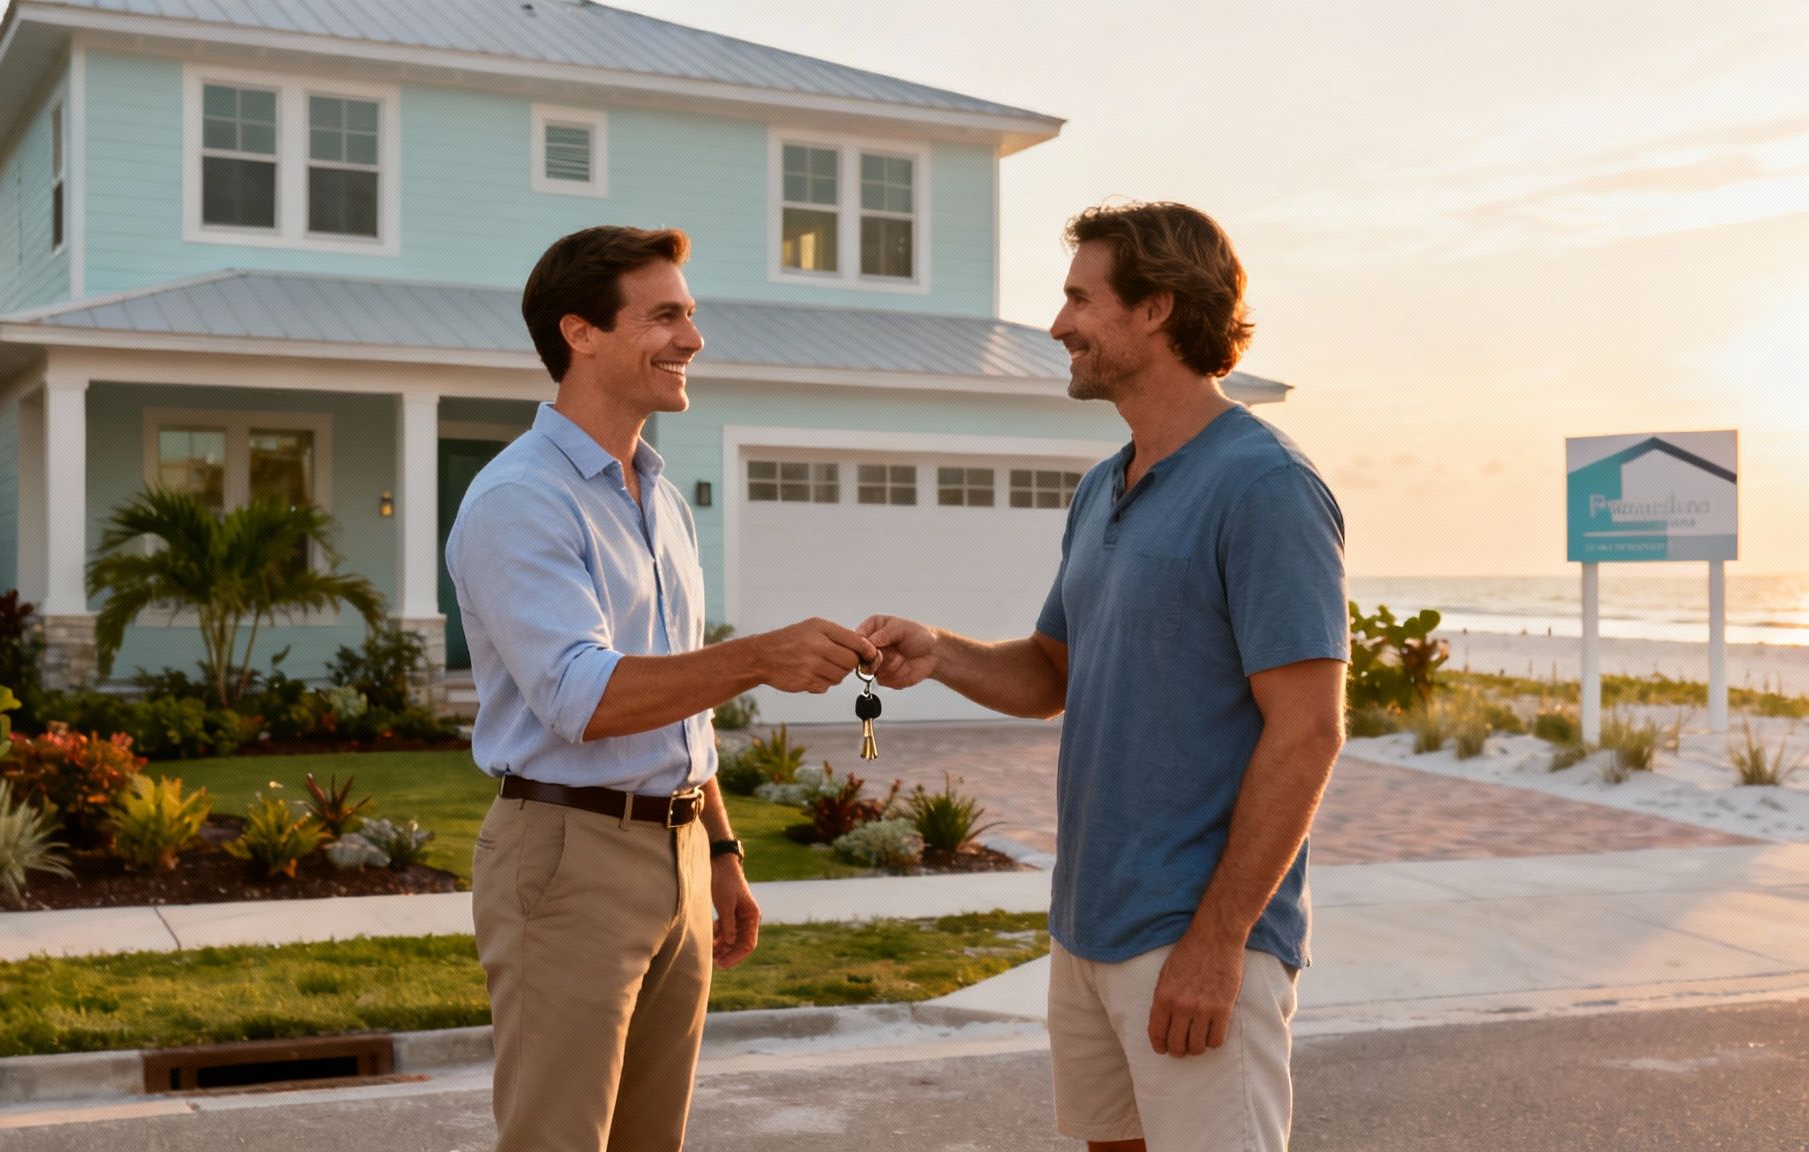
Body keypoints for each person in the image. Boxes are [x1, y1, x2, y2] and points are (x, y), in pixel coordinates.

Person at [861, 202, 1348, 1152]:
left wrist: (1217, 944)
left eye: (1080, 299)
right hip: (1090, 927)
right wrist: (940, 651)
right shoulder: (1105, 484)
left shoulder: (1265, 487)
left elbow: (1309, 730)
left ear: (1157, 308)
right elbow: (1053, 674)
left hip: (1196, 938)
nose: (1058, 325)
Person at [445, 224, 881, 1152]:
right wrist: (760, 656)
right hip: (567, 857)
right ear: (581, 333)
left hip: (678, 853)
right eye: (667, 316)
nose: (694, 337)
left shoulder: (662, 499)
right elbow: (581, 695)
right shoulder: (520, 497)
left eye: (691, 314)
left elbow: (678, 692)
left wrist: (719, 848)